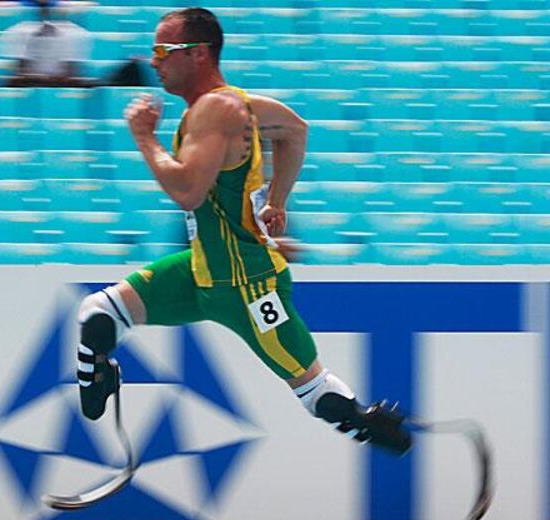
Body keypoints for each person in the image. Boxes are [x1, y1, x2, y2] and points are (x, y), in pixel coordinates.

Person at [75, 8, 412, 455]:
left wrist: (145, 138)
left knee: (315, 393)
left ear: (197, 54)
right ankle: (100, 379)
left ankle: (368, 424)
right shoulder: (240, 106)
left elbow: (189, 192)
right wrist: (277, 200)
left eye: (162, 50)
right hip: (203, 273)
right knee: (99, 313)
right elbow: (295, 130)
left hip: (248, 286)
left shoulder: (215, 110)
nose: (153, 61)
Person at [0, 0, 93, 87]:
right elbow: (19, 70)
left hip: (62, 83)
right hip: (30, 83)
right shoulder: (18, 31)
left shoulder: (76, 33)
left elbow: (71, 71)